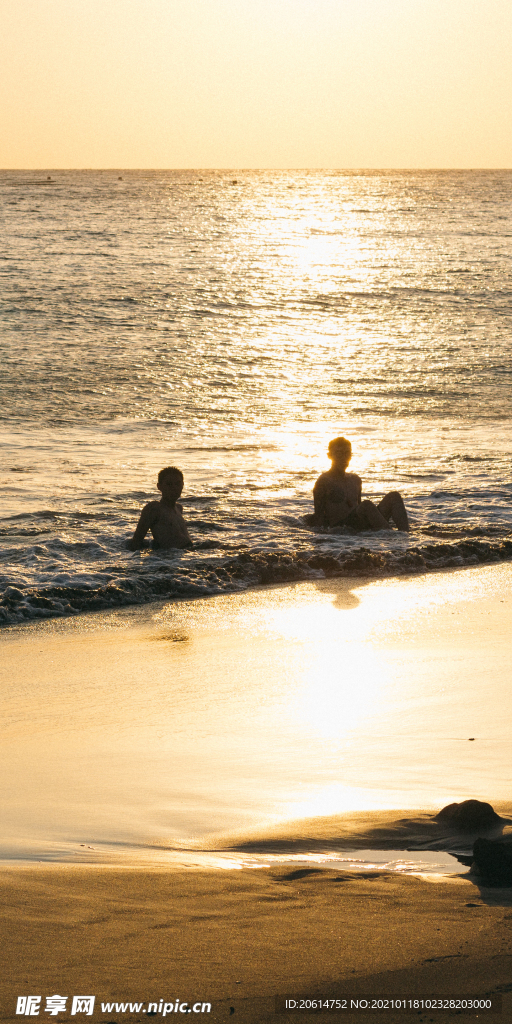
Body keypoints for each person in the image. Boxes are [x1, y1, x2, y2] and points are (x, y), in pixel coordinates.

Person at [310, 437, 409, 532]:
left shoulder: (355, 479)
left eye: (347, 454)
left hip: (360, 523)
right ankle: (391, 536)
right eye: (339, 454)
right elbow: (318, 516)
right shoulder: (324, 481)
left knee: (394, 496)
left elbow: (357, 507)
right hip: (342, 526)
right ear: (330, 456)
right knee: (366, 505)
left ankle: (405, 535)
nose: (343, 458)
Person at [126, 466, 193, 550]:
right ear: (159, 486)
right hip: (170, 558)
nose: (174, 488)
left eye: (177, 484)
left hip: (183, 556)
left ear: (182, 485)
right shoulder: (154, 508)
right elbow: (136, 541)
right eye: (169, 484)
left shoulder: (178, 508)